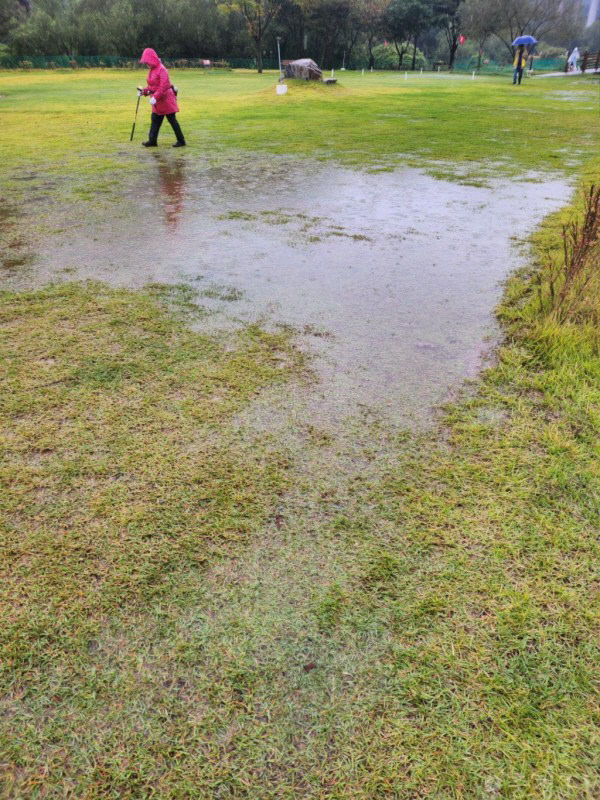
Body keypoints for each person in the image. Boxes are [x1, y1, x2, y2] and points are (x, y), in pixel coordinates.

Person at [137, 48, 186, 148]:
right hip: (157, 102)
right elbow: (152, 86)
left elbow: (163, 86)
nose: (147, 64)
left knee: (172, 120)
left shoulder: (162, 69)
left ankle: (181, 141)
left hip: (166, 100)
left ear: (152, 60)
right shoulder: (152, 70)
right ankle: (152, 141)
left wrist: (155, 97)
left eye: (147, 62)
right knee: (155, 120)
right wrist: (143, 92)